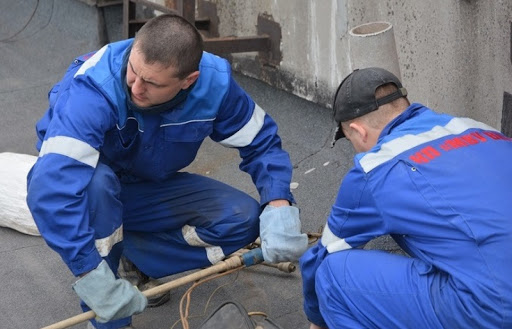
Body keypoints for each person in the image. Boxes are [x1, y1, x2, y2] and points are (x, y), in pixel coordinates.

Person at [26, 14, 308, 329]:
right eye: (133, 71)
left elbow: (262, 144)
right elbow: (50, 189)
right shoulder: (93, 90)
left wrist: (279, 204)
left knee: (242, 218)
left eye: (152, 83)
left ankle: (134, 260)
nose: (135, 87)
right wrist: (89, 273)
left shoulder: (215, 86)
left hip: (144, 188)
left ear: (188, 80)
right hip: (94, 193)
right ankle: (109, 312)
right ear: (134, 48)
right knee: (98, 186)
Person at [299, 67, 512, 328]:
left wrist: (317, 318)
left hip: (493, 307)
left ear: (358, 131)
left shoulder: (375, 167)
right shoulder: (480, 129)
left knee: (331, 277)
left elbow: (324, 254)